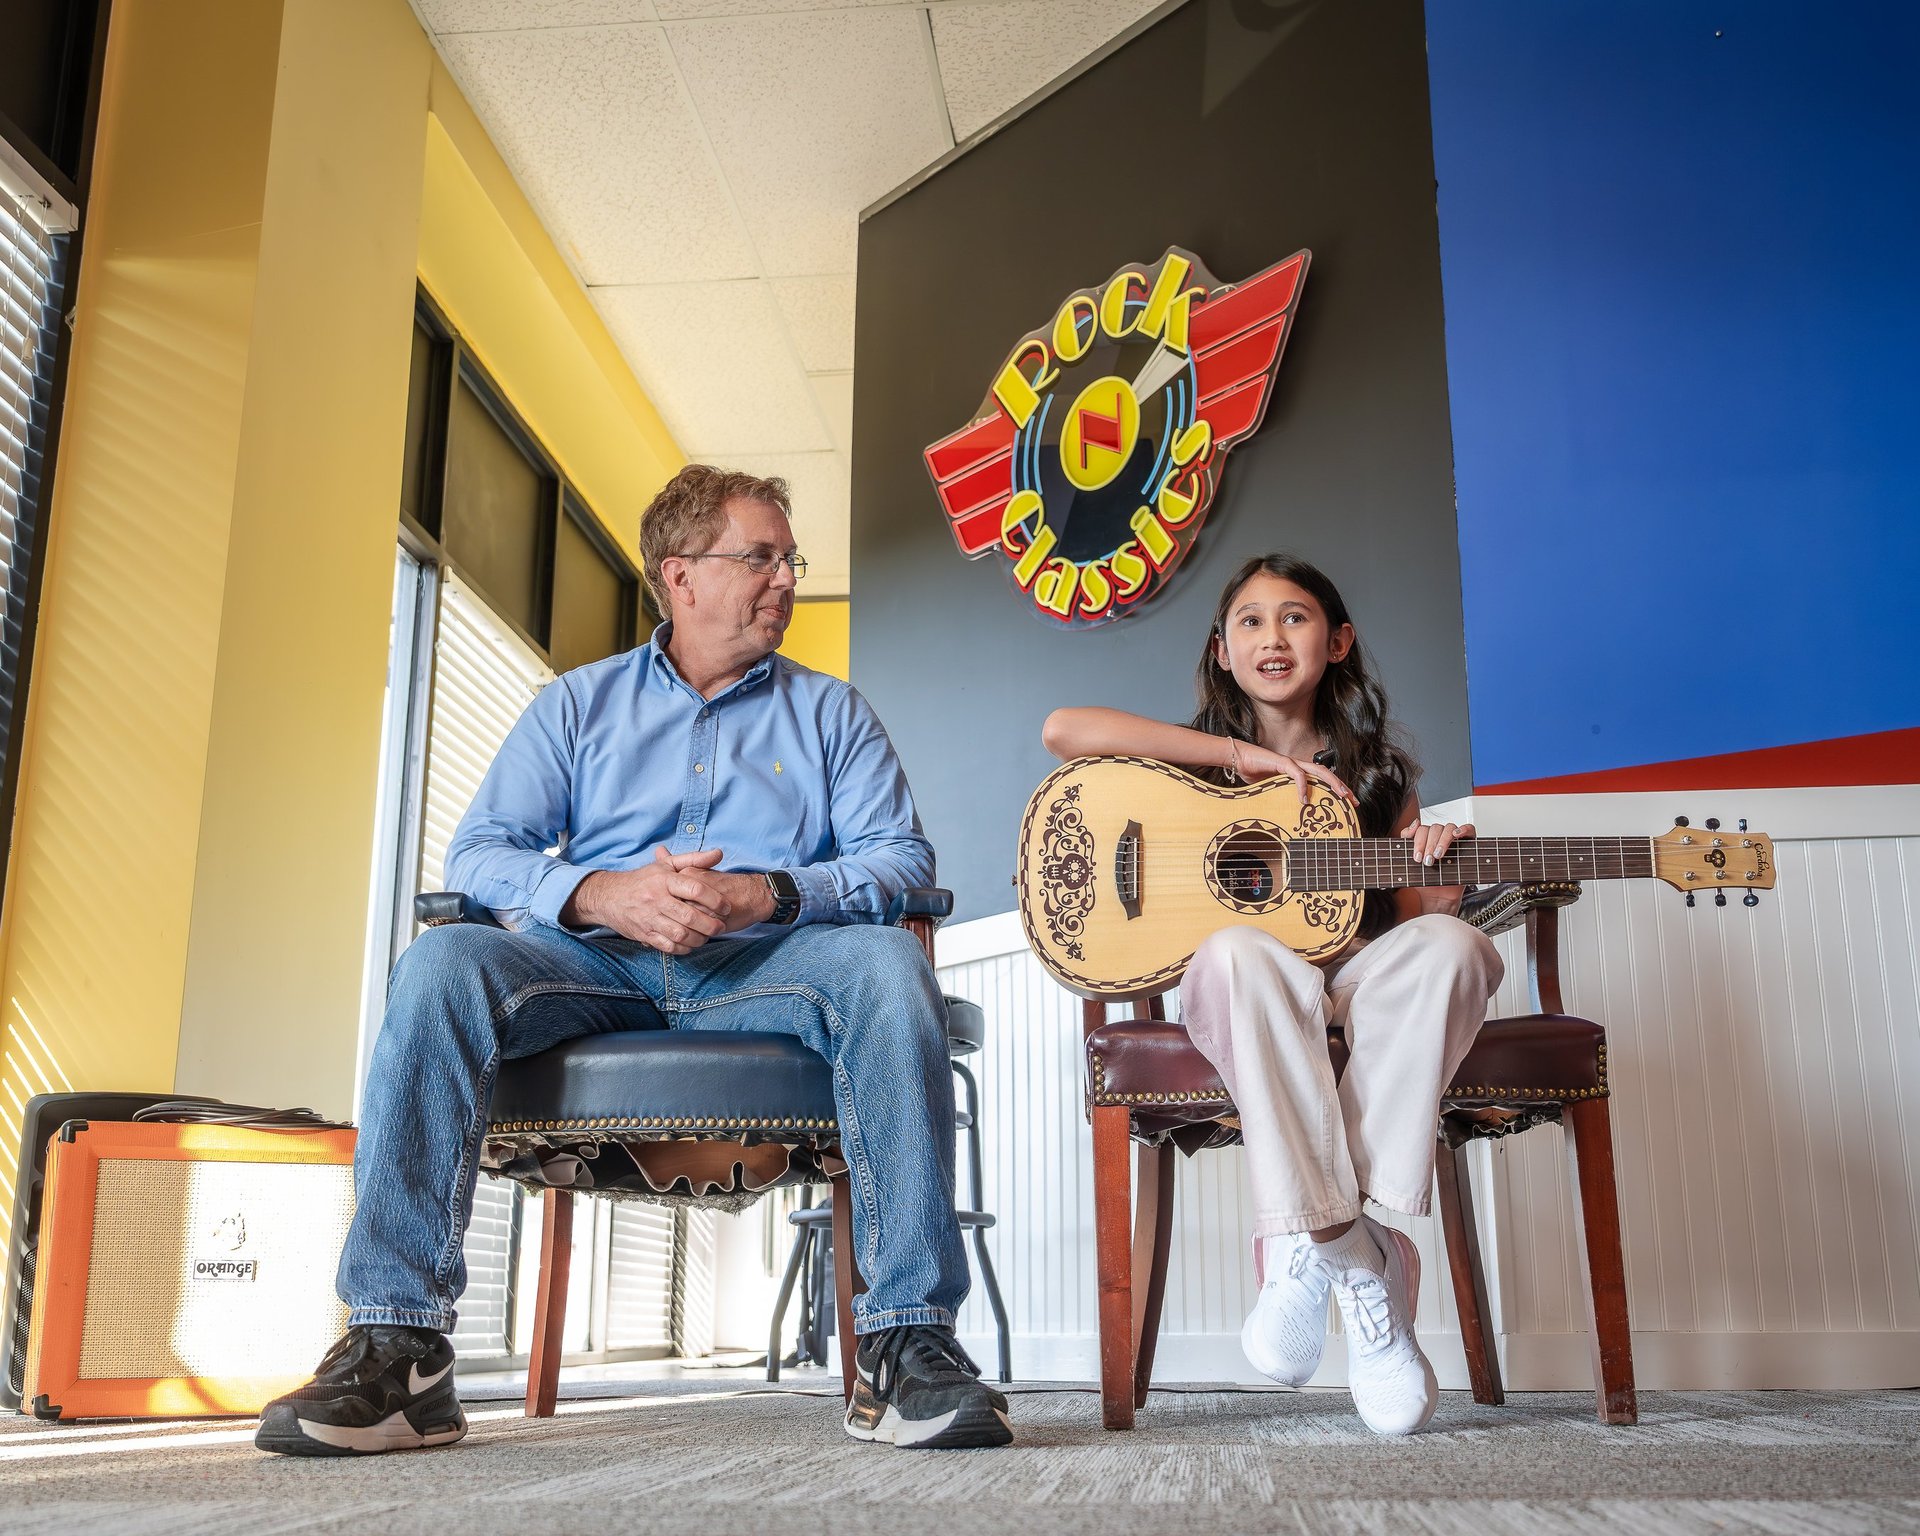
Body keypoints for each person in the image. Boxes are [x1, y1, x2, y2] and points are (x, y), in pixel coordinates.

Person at [257, 465, 1010, 1456]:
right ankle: (401, 1347)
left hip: (767, 968)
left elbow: (900, 861)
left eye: (791, 559)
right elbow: (479, 854)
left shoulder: (833, 715)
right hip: (591, 971)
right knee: (439, 968)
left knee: (885, 965)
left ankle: (904, 1344)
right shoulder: (573, 707)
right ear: (680, 574)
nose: (785, 577)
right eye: (762, 557)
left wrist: (766, 891)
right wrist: (603, 892)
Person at [1041, 553, 1502, 1437]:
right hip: (1247, 990)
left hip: (1358, 982)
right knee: (1239, 951)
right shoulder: (1186, 768)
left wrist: (1435, 886)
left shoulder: (1378, 776)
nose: (1272, 636)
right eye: (1249, 621)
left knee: (1456, 947)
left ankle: (1313, 1242)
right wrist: (1243, 759)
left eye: (1294, 617)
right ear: (1222, 649)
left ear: (1337, 642)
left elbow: (1407, 928)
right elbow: (1064, 728)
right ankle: (1365, 1261)